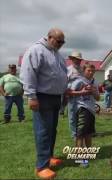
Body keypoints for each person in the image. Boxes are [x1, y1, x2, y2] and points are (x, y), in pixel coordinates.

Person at [20, 28, 67, 179]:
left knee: (52, 130)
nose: (61, 44)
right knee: (43, 131)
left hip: (55, 97)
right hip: (42, 96)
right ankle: (41, 166)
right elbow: (28, 73)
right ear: (49, 37)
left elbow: (63, 75)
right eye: (59, 41)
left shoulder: (58, 54)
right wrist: (31, 96)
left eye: (63, 42)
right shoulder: (36, 50)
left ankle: (49, 157)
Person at [68, 63, 100, 167]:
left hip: (91, 111)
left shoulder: (95, 82)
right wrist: (82, 92)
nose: (91, 73)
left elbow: (98, 98)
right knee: (80, 135)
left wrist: (94, 92)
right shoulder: (79, 81)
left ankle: (88, 154)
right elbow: (69, 92)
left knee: (89, 134)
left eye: (92, 71)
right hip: (81, 109)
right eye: (88, 70)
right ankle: (80, 159)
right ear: (84, 71)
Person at [66, 51, 84, 138]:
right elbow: (64, 82)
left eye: (79, 59)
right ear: (72, 59)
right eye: (76, 59)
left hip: (81, 96)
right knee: (72, 116)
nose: (78, 61)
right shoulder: (68, 69)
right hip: (72, 96)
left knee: (80, 115)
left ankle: (80, 132)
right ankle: (74, 134)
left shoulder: (82, 70)